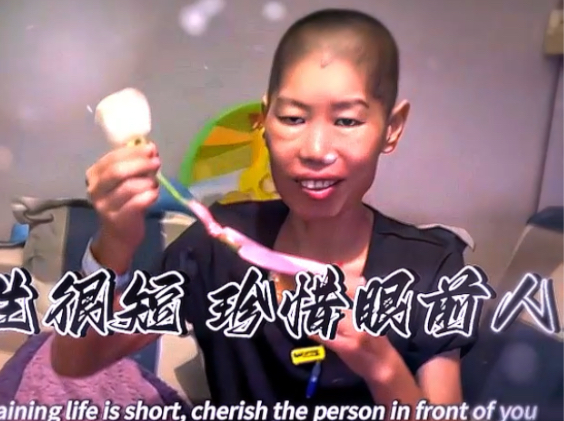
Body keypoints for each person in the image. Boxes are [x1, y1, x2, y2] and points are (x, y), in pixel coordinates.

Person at [53, 8, 476, 418]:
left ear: (392, 128)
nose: (315, 150)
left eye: (347, 121)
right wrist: (115, 242)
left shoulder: (430, 267)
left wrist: (383, 368)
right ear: (265, 120)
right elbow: (73, 361)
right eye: (292, 118)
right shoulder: (217, 247)